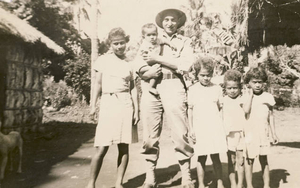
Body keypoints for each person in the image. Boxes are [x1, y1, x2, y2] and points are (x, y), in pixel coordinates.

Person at [137, 8, 195, 188]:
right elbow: (138, 63)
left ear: (178, 22)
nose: (169, 23)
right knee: (149, 134)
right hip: (151, 85)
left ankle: (186, 175)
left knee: (180, 132)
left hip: (174, 85)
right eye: (166, 20)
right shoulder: (151, 38)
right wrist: (147, 72)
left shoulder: (184, 41)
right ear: (161, 22)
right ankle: (150, 175)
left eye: (173, 20)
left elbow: (185, 65)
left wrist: (158, 59)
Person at [86, 27, 139, 188]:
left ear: (126, 43)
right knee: (102, 147)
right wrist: (93, 106)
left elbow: (133, 88)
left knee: (124, 146)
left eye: (122, 43)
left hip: (125, 104)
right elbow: (98, 84)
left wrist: (136, 110)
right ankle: (91, 183)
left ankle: (119, 183)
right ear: (110, 44)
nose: (119, 46)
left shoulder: (129, 64)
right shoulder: (102, 61)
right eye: (115, 43)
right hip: (108, 103)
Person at [188, 57, 227, 188]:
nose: (206, 78)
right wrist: (191, 129)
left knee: (216, 156)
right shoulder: (192, 89)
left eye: (208, 75)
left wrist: (222, 126)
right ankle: (201, 184)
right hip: (200, 127)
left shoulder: (217, 89)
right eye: (202, 75)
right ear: (197, 74)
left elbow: (221, 108)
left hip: (214, 126)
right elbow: (190, 110)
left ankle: (220, 183)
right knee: (201, 157)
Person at [243, 67, 279, 188]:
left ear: (264, 82)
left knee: (264, 160)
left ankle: (266, 185)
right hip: (250, 134)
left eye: (260, 82)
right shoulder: (246, 96)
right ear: (249, 83)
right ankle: (249, 185)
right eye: (254, 82)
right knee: (249, 160)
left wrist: (274, 134)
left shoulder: (268, 97)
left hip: (263, 133)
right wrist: (250, 95)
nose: (258, 85)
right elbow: (246, 110)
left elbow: (271, 117)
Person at [221, 70, 245, 188]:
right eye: (229, 88)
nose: (232, 91)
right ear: (225, 88)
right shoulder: (223, 100)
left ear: (240, 87)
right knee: (231, 160)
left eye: (235, 88)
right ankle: (233, 184)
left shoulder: (243, 99)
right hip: (229, 134)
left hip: (241, 133)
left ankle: (240, 184)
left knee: (241, 160)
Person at [138, 23, 176, 96]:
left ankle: (151, 86)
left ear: (157, 34)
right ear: (143, 37)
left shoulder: (158, 40)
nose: (152, 37)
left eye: (154, 34)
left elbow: (164, 40)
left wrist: (171, 44)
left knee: (156, 70)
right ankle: (151, 86)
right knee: (155, 69)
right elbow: (143, 54)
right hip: (145, 63)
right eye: (148, 35)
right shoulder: (145, 44)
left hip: (152, 62)